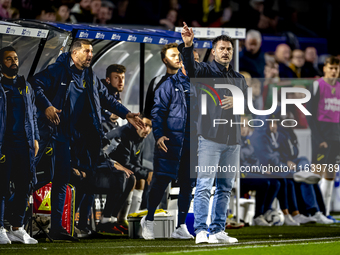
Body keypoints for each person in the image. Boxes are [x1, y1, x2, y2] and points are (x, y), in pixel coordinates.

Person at [30, 39, 144, 241]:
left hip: (69, 139)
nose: (90, 54)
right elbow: (34, 85)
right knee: (32, 179)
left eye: (92, 51)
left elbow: (106, 99)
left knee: (61, 180)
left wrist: (126, 114)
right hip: (50, 134)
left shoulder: (89, 75)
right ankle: (12, 222)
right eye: (86, 51)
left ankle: (57, 229)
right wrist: (46, 106)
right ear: (74, 53)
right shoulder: (58, 70)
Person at [180, 22, 248, 244]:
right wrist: (188, 45)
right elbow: (190, 68)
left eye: (229, 48)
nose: (226, 52)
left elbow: (245, 107)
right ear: (214, 51)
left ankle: (218, 229)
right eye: (222, 48)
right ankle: (201, 230)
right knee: (204, 185)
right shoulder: (205, 71)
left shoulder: (239, 79)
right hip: (210, 139)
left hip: (233, 140)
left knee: (225, 188)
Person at [140, 63, 195, 240]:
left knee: (187, 185)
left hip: (191, 143)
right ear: (182, 63)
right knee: (161, 181)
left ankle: (180, 226)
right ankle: (148, 221)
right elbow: (158, 112)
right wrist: (159, 135)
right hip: (170, 142)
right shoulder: (168, 84)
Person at [0, 46, 39, 244]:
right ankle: (0, 228)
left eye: (15, 58)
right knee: (2, 187)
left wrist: (36, 138)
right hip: (4, 145)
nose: (13, 62)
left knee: (25, 186)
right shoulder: (0, 87)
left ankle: (17, 227)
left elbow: (33, 114)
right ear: (1, 64)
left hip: (24, 145)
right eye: (8, 59)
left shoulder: (26, 86)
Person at [306, 56, 340, 221]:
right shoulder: (317, 85)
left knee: (331, 174)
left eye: (336, 68)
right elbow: (310, 114)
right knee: (317, 173)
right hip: (321, 136)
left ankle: (325, 211)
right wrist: (319, 138)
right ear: (325, 68)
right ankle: (315, 211)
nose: (334, 71)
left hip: (336, 136)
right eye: (331, 68)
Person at [104, 115, 153, 226]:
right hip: (108, 166)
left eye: (147, 133)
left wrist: (147, 174)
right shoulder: (125, 134)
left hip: (121, 169)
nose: (146, 133)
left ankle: (130, 218)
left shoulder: (140, 138)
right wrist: (146, 174)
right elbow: (124, 163)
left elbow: (136, 163)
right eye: (144, 126)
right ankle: (115, 217)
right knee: (131, 178)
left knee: (141, 180)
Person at [239, 116, 281, 226]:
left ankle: (266, 211)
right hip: (240, 177)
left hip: (251, 174)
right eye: (242, 126)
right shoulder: (234, 143)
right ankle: (258, 216)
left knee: (276, 182)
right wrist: (258, 170)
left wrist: (261, 170)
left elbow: (254, 160)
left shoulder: (247, 142)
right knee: (264, 183)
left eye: (247, 126)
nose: (245, 129)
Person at [144, 43, 181, 119]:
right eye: (173, 56)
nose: (177, 58)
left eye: (179, 55)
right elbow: (148, 109)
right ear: (165, 60)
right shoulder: (156, 81)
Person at [101, 64, 126, 133]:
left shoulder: (116, 92)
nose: (121, 81)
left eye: (123, 77)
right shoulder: (100, 92)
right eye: (116, 78)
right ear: (108, 80)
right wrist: (109, 114)